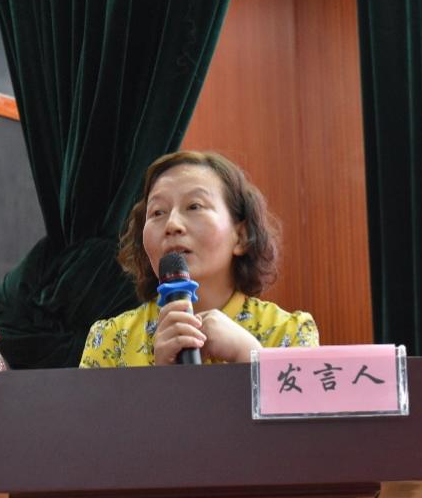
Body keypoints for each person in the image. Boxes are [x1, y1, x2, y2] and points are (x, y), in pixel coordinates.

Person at [79, 150, 318, 368]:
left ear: (241, 236)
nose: (172, 224)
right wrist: (160, 381)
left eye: (194, 206)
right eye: (158, 212)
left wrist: (249, 355)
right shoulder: (111, 339)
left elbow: (306, 402)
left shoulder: (289, 332)